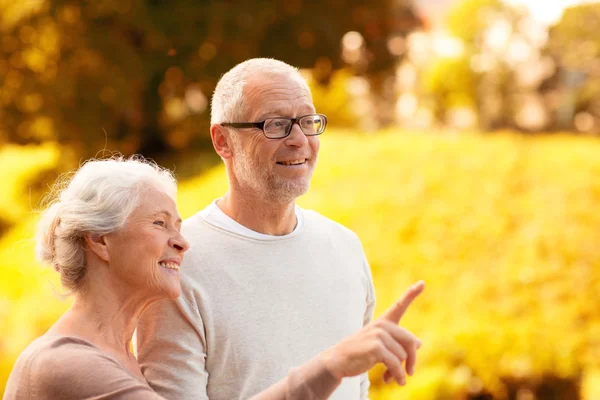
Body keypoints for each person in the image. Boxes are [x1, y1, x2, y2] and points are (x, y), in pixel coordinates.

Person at [3, 156, 424, 400]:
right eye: (159, 224)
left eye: (179, 226)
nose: (182, 243)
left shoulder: (120, 357)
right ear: (100, 241)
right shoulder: (68, 365)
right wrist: (331, 364)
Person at [135, 58, 424, 400]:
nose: (300, 139)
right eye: (276, 125)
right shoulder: (177, 261)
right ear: (222, 141)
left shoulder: (345, 247)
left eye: (306, 121)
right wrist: (330, 366)